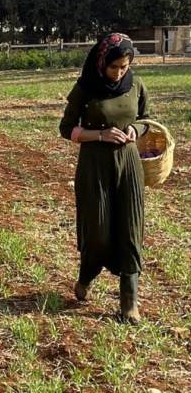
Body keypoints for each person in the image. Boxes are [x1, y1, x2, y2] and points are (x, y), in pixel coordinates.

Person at [59, 33, 151, 324]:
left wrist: (136, 130)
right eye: (115, 67)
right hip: (94, 164)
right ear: (102, 62)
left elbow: (148, 119)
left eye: (125, 66)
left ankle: (129, 303)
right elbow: (67, 128)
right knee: (97, 231)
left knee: (130, 228)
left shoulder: (135, 85)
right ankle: (86, 275)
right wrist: (99, 134)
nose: (120, 72)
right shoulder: (86, 88)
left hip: (128, 163)